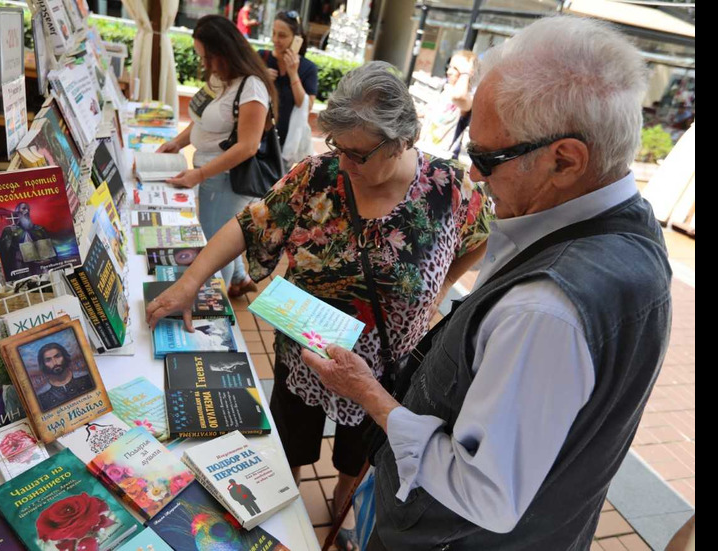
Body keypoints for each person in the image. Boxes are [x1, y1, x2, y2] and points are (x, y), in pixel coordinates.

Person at [300, 16, 673, 549]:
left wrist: (371, 396)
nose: (473, 174)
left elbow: (483, 492)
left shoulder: (546, 309)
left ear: (564, 160)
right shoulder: (631, 229)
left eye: (486, 157)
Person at [146, 61, 492, 551]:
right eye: (337, 147)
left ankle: (343, 498)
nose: (344, 164)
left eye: (358, 153)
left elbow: (480, 237)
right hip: (305, 348)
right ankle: (281, 498)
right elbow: (249, 224)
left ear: (402, 140)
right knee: (290, 434)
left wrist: (440, 288)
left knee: (362, 449)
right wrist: (190, 281)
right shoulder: (317, 174)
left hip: (384, 365)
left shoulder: (448, 188)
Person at [155, 15, 278, 299]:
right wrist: (177, 142)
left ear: (224, 52)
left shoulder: (251, 89)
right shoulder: (219, 78)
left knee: (214, 249)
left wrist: (199, 174)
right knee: (216, 233)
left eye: (207, 57)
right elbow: (199, 119)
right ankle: (237, 279)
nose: (204, 64)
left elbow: (248, 146)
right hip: (209, 174)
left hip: (226, 180)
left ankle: (215, 309)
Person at [259, 11, 319, 156]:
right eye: (274, 33)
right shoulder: (261, 57)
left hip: (285, 145)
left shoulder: (308, 68)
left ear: (297, 40)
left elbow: (306, 106)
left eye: (282, 35)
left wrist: (293, 74)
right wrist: (260, 78)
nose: (275, 39)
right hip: (256, 137)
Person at [415, 50, 477, 160]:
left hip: (442, 161)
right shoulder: (445, 92)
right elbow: (424, 113)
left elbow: (458, 97)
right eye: (450, 66)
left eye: (456, 68)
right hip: (423, 153)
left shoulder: (468, 99)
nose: (449, 71)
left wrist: (465, 72)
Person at [33, 342, 95, 411]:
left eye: (57, 356)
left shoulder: (87, 378)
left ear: (65, 357)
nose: (55, 362)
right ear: (43, 364)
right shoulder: (42, 396)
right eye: (48, 360)